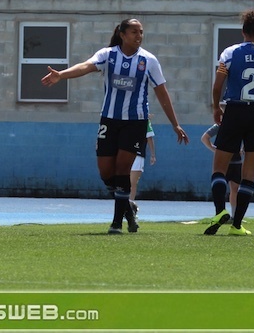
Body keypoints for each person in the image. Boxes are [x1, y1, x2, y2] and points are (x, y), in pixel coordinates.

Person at [41, 18, 188, 235]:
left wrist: (175, 124)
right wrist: (61, 75)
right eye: (134, 32)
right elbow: (86, 66)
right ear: (122, 34)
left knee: (122, 171)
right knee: (105, 171)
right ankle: (128, 209)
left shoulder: (149, 60)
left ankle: (117, 223)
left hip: (135, 123)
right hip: (109, 120)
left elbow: (162, 93)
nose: (139, 36)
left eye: (141, 32)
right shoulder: (108, 55)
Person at [204, 9, 254, 237]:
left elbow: (217, 85)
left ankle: (220, 211)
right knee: (249, 173)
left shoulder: (229, 53)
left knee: (219, 168)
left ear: (242, 31)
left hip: (235, 109)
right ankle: (237, 225)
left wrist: (216, 107)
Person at [200, 121, 242, 218]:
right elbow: (204, 138)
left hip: (236, 161)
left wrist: (243, 149)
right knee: (221, 187)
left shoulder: (240, 124)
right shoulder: (219, 125)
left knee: (235, 188)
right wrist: (214, 149)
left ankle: (234, 215)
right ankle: (220, 212)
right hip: (224, 162)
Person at [125, 119, 156, 223]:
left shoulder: (145, 121)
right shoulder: (126, 117)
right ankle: (126, 207)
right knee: (127, 182)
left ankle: (129, 206)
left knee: (132, 183)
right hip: (127, 153)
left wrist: (152, 154)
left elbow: (149, 137)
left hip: (137, 154)